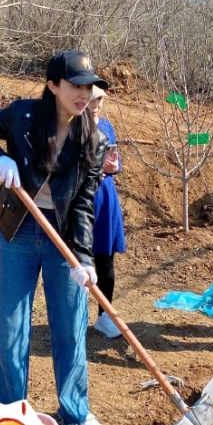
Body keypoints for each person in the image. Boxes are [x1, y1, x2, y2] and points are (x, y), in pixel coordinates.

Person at [0, 50, 109, 425]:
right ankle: (9, 413)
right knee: (11, 326)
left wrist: (84, 257)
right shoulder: (22, 115)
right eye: (75, 85)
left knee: (70, 324)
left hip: (63, 237)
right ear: (53, 85)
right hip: (20, 232)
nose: (84, 93)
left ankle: (75, 411)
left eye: (88, 86)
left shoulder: (94, 139)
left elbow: (83, 203)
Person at [87, 85, 126, 338]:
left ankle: (105, 315)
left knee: (105, 260)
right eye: (92, 99)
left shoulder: (107, 125)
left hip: (105, 197)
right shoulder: (70, 125)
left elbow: (116, 163)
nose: (96, 104)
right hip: (81, 197)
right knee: (75, 261)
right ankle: (73, 316)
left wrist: (113, 167)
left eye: (99, 99)